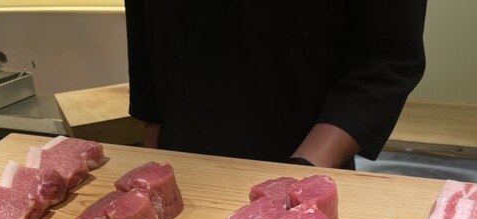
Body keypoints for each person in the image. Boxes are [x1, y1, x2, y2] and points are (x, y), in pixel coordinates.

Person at [124, 1, 427, 169]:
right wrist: (154, 167)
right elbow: (144, 32)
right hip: (179, 159)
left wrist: (300, 176)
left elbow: (387, 60)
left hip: (302, 163)